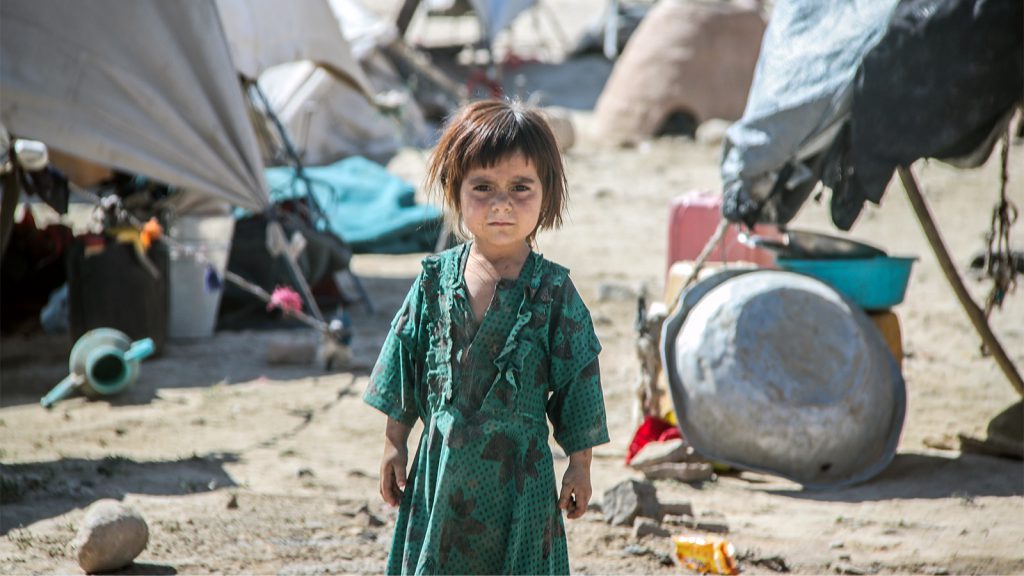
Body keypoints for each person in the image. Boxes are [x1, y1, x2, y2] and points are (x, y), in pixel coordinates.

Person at [363, 98, 609, 575]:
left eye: (521, 187)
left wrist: (580, 464)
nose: (501, 203)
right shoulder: (434, 281)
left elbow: (579, 379)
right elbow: (406, 360)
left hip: (521, 482)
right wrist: (395, 443)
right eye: (483, 187)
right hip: (442, 476)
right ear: (455, 191)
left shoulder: (554, 292)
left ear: (548, 194)